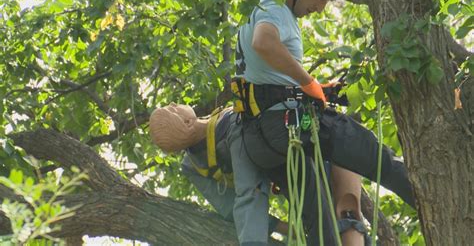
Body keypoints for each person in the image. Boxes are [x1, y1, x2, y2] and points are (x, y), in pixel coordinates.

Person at [229, 0, 415, 244]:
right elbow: (264, 43)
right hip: (284, 126)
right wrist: (307, 82)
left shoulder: (264, 5)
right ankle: (441, 197)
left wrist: (320, 90)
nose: (319, 8)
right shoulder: (275, 4)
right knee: (379, 158)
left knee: (320, 219)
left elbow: (268, 81)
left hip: (261, 139)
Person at [149, 103, 369, 245]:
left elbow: (229, 208)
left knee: (330, 218)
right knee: (336, 219)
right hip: (294, 160)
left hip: (293, 167)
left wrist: (288, 229)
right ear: (187, 124)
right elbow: (246, 198)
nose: (173, 103)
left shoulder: (193, 165)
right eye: (172, 109)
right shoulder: (230, 126)